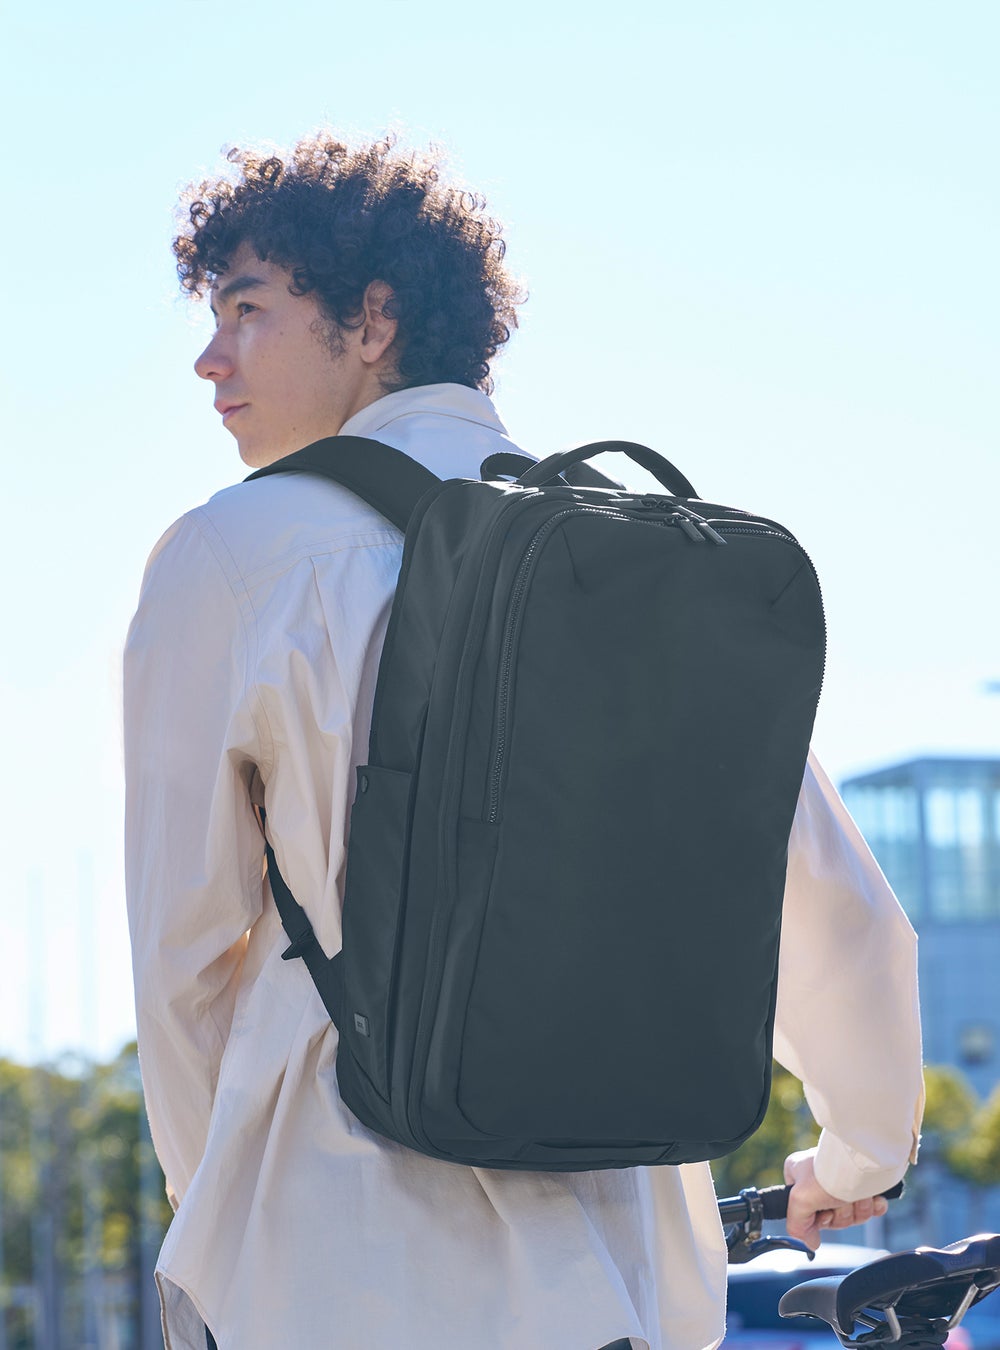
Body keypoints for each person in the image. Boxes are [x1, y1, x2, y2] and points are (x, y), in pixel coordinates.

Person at [124, 132, 924, 1350]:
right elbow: (827, 905)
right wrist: (860, 1152)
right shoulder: (639, 556)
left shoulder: (234, 558)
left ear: (372, 319)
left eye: (247, 309)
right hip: (623, 1271)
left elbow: (181, 955)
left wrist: (219, 1204)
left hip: (336, 1258)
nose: (208, 357)